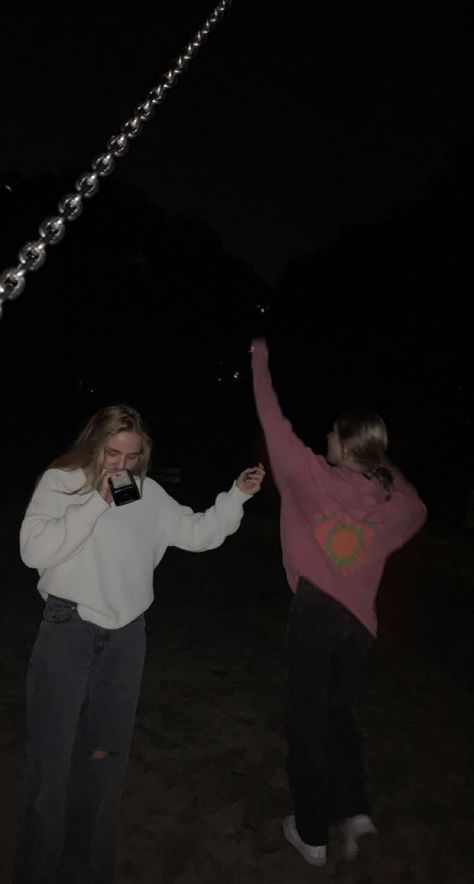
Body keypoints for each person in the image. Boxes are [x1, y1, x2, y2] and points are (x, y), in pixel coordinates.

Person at [15, 404, 264, 884]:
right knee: (50, 769)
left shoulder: (148, 495)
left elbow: (197, 533)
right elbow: (34, 551)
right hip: (67, 631)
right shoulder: (62, 481)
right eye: (112, 453)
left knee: (105, 766)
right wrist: (96, 502)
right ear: (95, 445)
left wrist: (237, 495)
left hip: (126, 638)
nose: (121, 467)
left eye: (132, 457)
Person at [250, 339, 426, 867]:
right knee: (337, 714)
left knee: (306, 724)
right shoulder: (395, 502)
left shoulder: (312, 479)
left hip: (316, 614)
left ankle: (312, 835)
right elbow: (419, 505)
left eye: (333, 430)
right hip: (360, 626)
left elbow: (272, 420)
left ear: (346, 442)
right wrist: (376, 459)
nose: (325, 434)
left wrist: (259, 359)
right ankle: (354, 810)